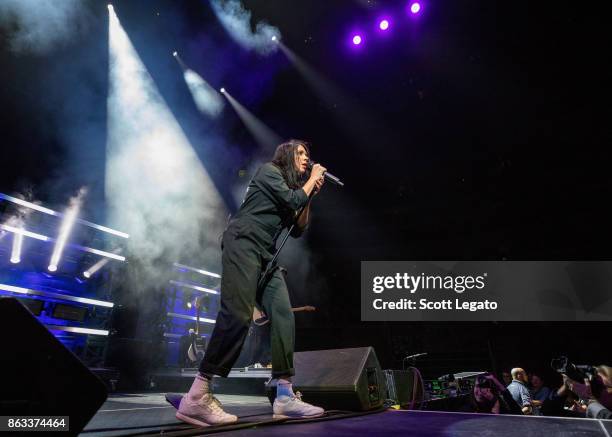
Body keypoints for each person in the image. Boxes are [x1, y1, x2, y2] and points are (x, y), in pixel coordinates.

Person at [176, 140, 327, 427]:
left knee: (283, 314)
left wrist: (310, 194)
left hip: (266, 256)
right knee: (237, 315)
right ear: (286, 156)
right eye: (301, 153)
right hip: (244, 242)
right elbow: (294, 201)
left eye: (308, 154)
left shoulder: (294, 190)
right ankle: (196, 395)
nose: (306, 159)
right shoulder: (270, 172)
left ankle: (284, 395)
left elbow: (297, 229)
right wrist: (308, 185)